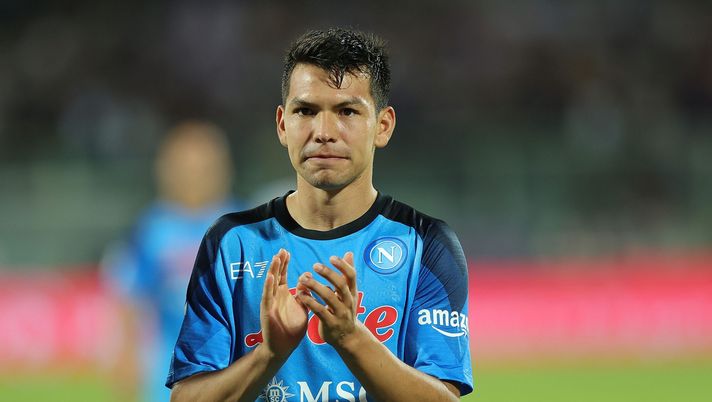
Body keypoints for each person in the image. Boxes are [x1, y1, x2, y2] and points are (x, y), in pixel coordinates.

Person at [166, 28, 473, 401]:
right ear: (283, 125)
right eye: (306, 111)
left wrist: (350, 337)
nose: (324, 131)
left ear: (383, 125)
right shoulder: (233, 243)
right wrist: (269, 354)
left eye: (346, 111)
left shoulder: (426, 244)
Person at [102, 120, 244, 402]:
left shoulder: (241, 225)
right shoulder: (152, 229)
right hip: (169, 370)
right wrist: (127, 351)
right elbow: (133, 295)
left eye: (202, 169)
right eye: (186, 169)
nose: (194, 178)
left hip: (231, 364)